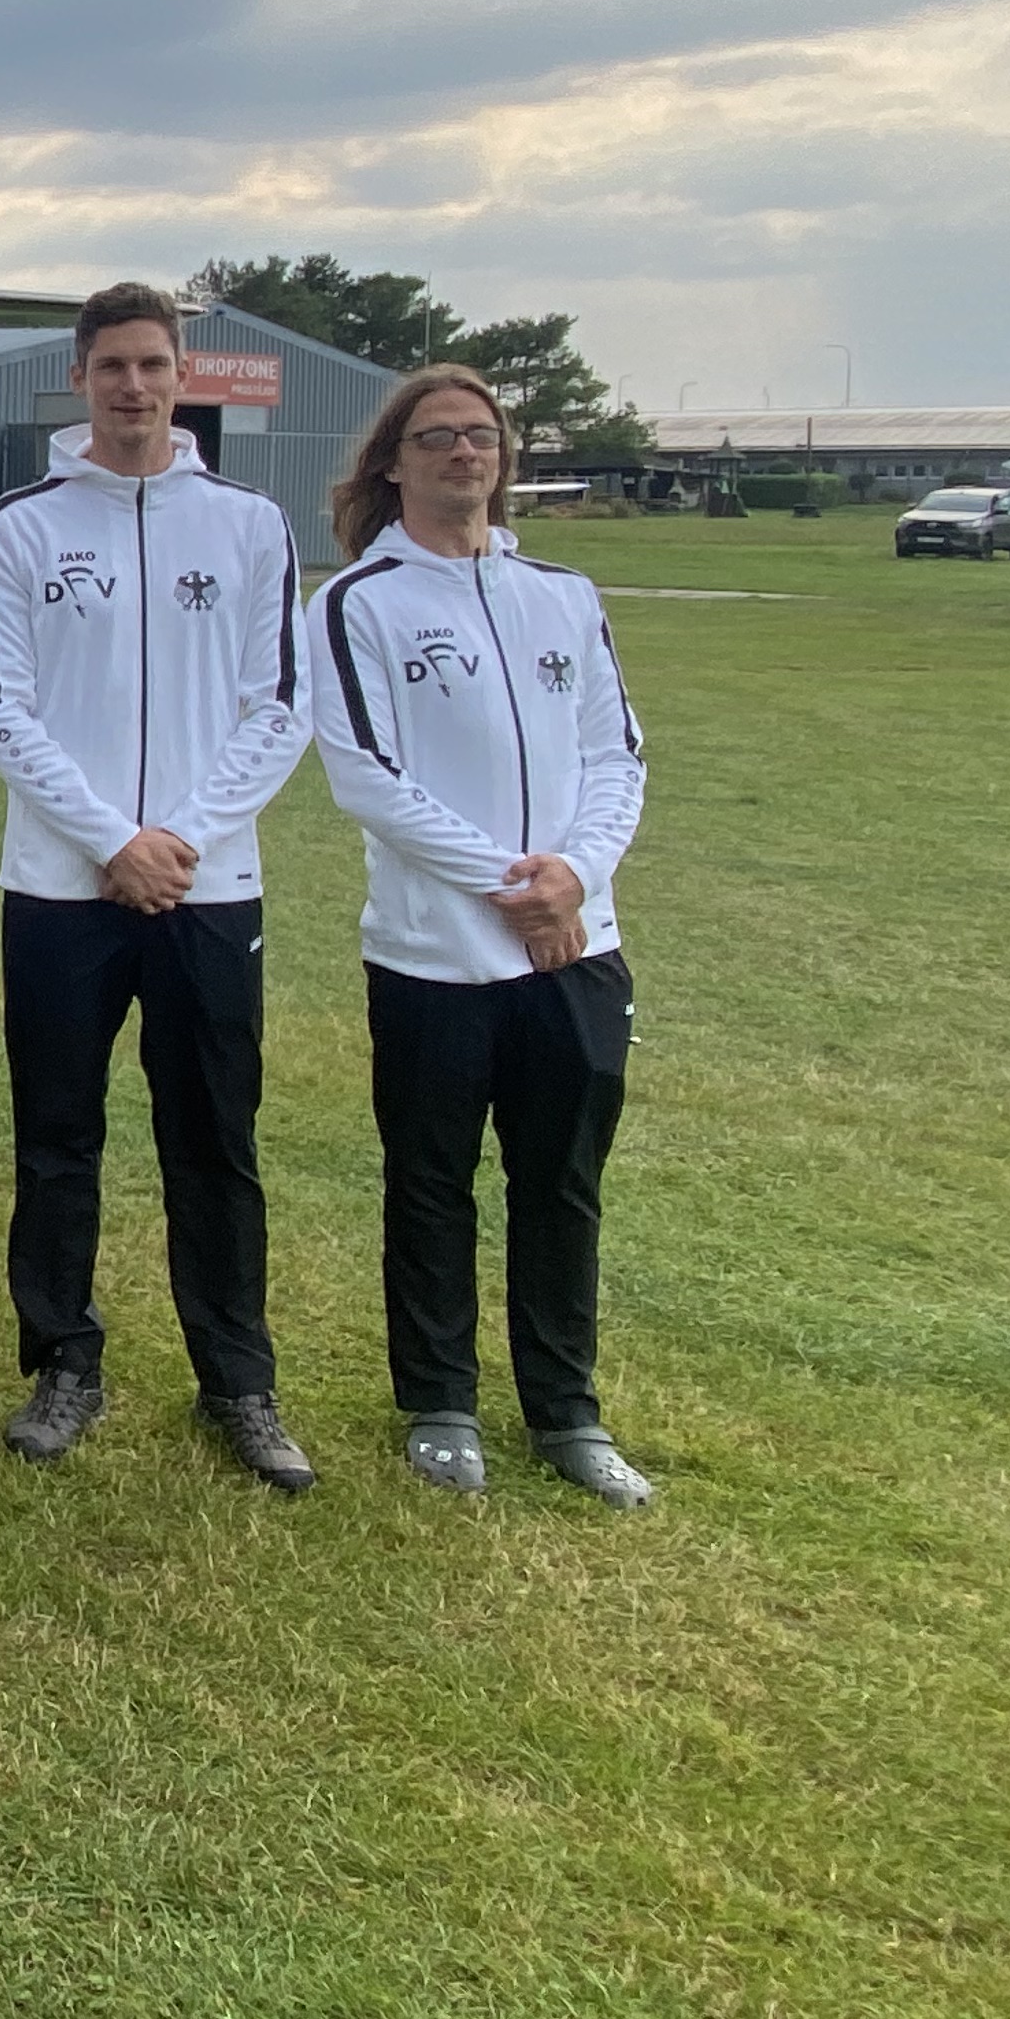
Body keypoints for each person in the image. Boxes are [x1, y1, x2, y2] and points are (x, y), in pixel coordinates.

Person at [0, 280, 314, 1488]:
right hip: (62, 890)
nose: (132, 386)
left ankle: (239, 1382)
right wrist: (113, 839)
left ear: (183, 376)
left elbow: (280, 706)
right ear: (80, 378)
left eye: (153, 365)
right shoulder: (19, 525)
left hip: (207, 893)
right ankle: (64, 1362)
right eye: (111, 366)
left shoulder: (250, 523)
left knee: (214, 1138)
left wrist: (182, 841)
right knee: (58, 1137)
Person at [306, 365, 654, 1508]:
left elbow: (615, 756)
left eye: (481, 435)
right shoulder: (359, 603)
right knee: (432, 1181)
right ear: (394, 463)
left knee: (561, 1184)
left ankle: (566, 1410)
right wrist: (512, 888)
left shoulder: (564, 595)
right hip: (437, 956)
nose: (463, 453)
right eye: (437, 437)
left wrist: (574, 876)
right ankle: (441, 1403)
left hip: (576, 948)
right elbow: (369, 779)